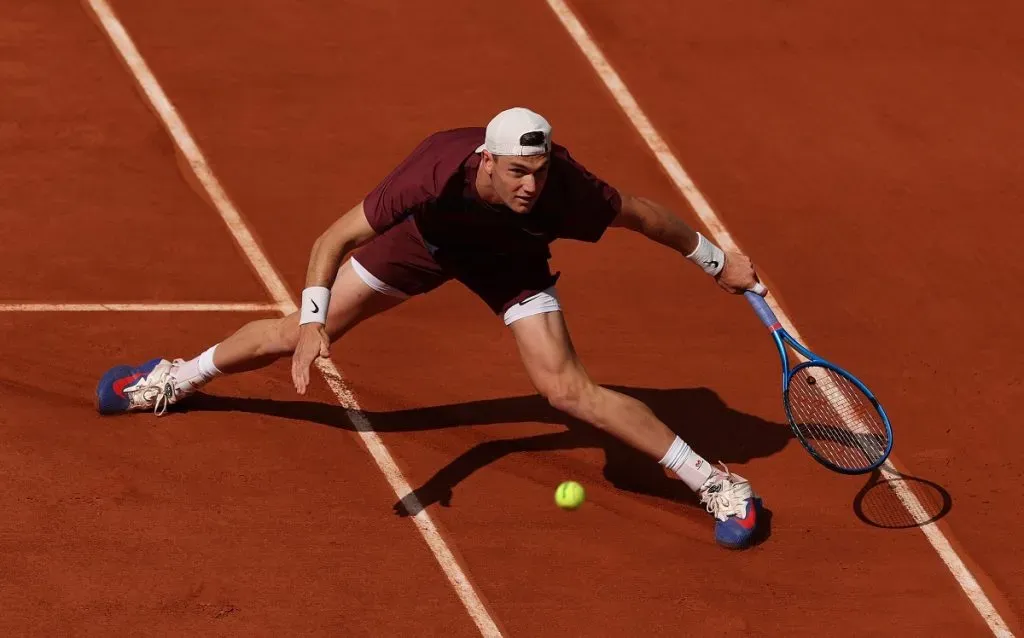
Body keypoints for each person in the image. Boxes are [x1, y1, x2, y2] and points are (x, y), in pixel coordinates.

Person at [96, 107, 769, 549]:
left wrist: (717, 263)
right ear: (486, 160)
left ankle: (715, 482)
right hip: (426, 246)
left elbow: (646, 217)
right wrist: (311, 322)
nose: (530, 185)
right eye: (517, 173)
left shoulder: (566, 189)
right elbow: (334, 238)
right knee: (288, 334)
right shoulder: (435, 169)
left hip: (511, 266)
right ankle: (174, 379)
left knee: (568, 392)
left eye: (537, 172)